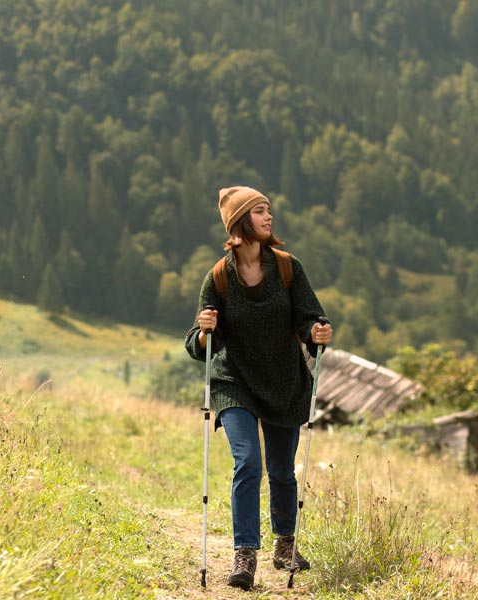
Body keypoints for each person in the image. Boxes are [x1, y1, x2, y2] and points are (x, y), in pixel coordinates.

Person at [184, 186, 333, 590]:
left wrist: (316, 333)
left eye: (268, 210)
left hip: (284, 382)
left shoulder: (287, 268)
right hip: (235, 382)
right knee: (247, 461)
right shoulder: (219, 277)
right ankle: (245, 554)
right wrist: (205, 332)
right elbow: (197, 343)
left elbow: (309, 318)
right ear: (239, 221)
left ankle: (285, 545)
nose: (269, 217)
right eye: (260, 211)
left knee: (282, 471)